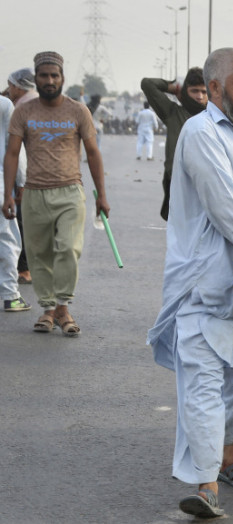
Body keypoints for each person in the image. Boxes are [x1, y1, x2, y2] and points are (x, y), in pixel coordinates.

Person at [146, 47, 233, 519]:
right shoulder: (201, 133)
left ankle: (230, 464)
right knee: (203, 388)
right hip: (203, 285)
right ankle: (207, 489)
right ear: (217, 87)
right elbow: (227, 209)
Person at [2, 51, 110, 337]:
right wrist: (9, 194)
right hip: (35, 194)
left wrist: (101, 195)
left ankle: (63, 306)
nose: (49, 80)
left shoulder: (78, 110)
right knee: (39, 255)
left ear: (62, 78)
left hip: (70, 192)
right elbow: (12, 153)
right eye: (44, 76)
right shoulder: (23, 112)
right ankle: (48, 310)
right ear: (35, 80)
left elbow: (93, 152)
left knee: (69, 250)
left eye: (55, 75)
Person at [141, 68, 208, 220]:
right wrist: (173, 87)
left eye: (204, 92)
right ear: (185, 91)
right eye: (194, 91)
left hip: (205, 186)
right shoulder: (173, 113)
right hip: (178, 184)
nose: (199, 96)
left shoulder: (213, 117)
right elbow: (147, 84)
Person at [6, 67, 37, 284]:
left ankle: (24, 269)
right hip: (33, 172)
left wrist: (21, 182)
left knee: (20, 221)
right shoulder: (30, 101)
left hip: (25, 172)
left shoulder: (22, 107)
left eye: (10, 85)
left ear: (18, 86)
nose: (8, 89)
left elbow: (19, 150)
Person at [1, 94, 30, 313]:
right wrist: (21, 181)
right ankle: (11, 297)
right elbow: (14, 147)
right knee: (7, 239)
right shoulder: (4, 105)